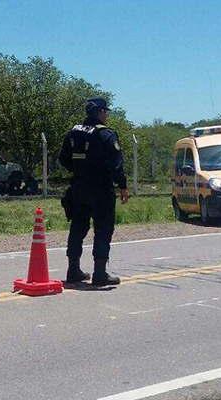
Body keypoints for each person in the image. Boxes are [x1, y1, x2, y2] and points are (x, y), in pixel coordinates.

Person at [58, 97, 129, 287]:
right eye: (106, 111)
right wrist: (122, 185)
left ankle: (73, 270)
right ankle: (99, 274)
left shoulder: (74, 132)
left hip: (79, 187)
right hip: (101, 189)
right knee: (103, 229)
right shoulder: (106, 134)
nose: (107, 115)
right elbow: (116, 165)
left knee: (78, 227)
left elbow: (63, 159)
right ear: (100, 112)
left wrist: (80, 169)